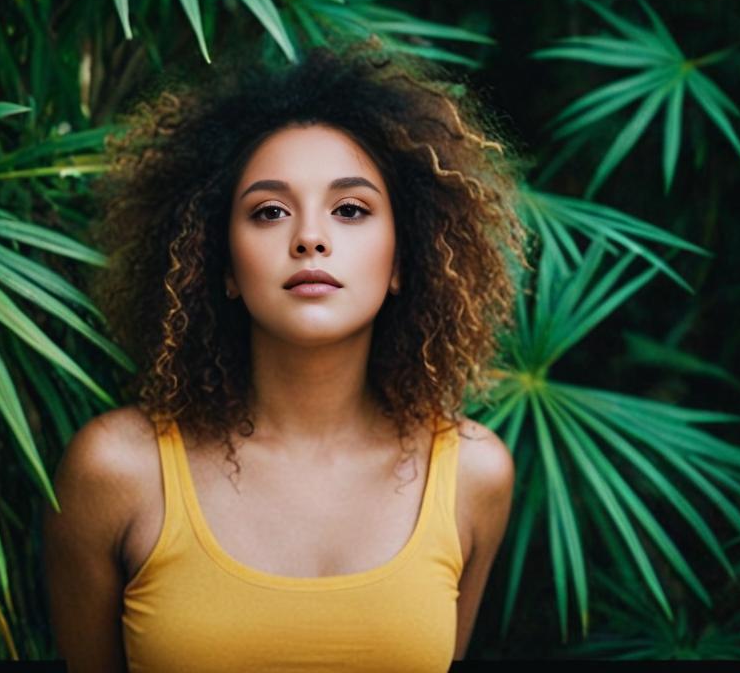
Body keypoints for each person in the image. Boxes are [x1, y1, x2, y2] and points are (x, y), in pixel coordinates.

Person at [43, 39, 531, 672]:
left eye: (350, 210)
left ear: (402, 263)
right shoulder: (116, 472)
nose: (309, 238)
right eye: (269, 212)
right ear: (219, 265)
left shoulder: (473, 473)